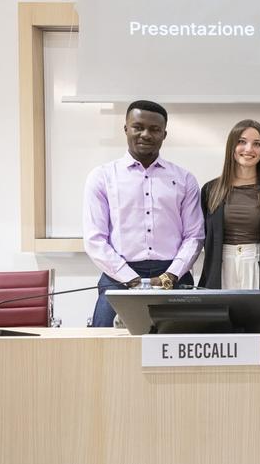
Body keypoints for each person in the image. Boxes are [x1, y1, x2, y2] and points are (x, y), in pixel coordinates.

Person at [82, 100, 204, 327]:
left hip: (173, 275)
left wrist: (170, 275)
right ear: (126, 129)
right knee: (103, 344)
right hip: (118, 275)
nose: (146, 134)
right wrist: (131, 279)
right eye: (138, 127)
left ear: (164, 134)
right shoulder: (102, 177)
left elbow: (194, 236)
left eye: (154, 129)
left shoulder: (184, 179)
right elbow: (95, 239)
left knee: (181, 345)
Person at [198, 120, 260, 304]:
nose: (249, 149)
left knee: (257, 320)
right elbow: (201, 236)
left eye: (257, 144)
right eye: (242, 141)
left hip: (258, 268)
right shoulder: (210, 190)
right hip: (221, 268)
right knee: (221, 320)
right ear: (232, 146)